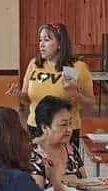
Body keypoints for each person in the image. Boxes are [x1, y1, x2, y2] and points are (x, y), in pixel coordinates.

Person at [6, 22, 94, 150]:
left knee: (64, 168)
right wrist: (18, 94)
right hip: (36, 127)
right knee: (37, 167)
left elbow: (90, 104)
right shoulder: (34, 65)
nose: (41, 44)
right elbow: (27, 100)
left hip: (64, 129)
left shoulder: (77, 67)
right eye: (40, 40)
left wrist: (74, 94)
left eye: (47, 40)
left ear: (60, 44)